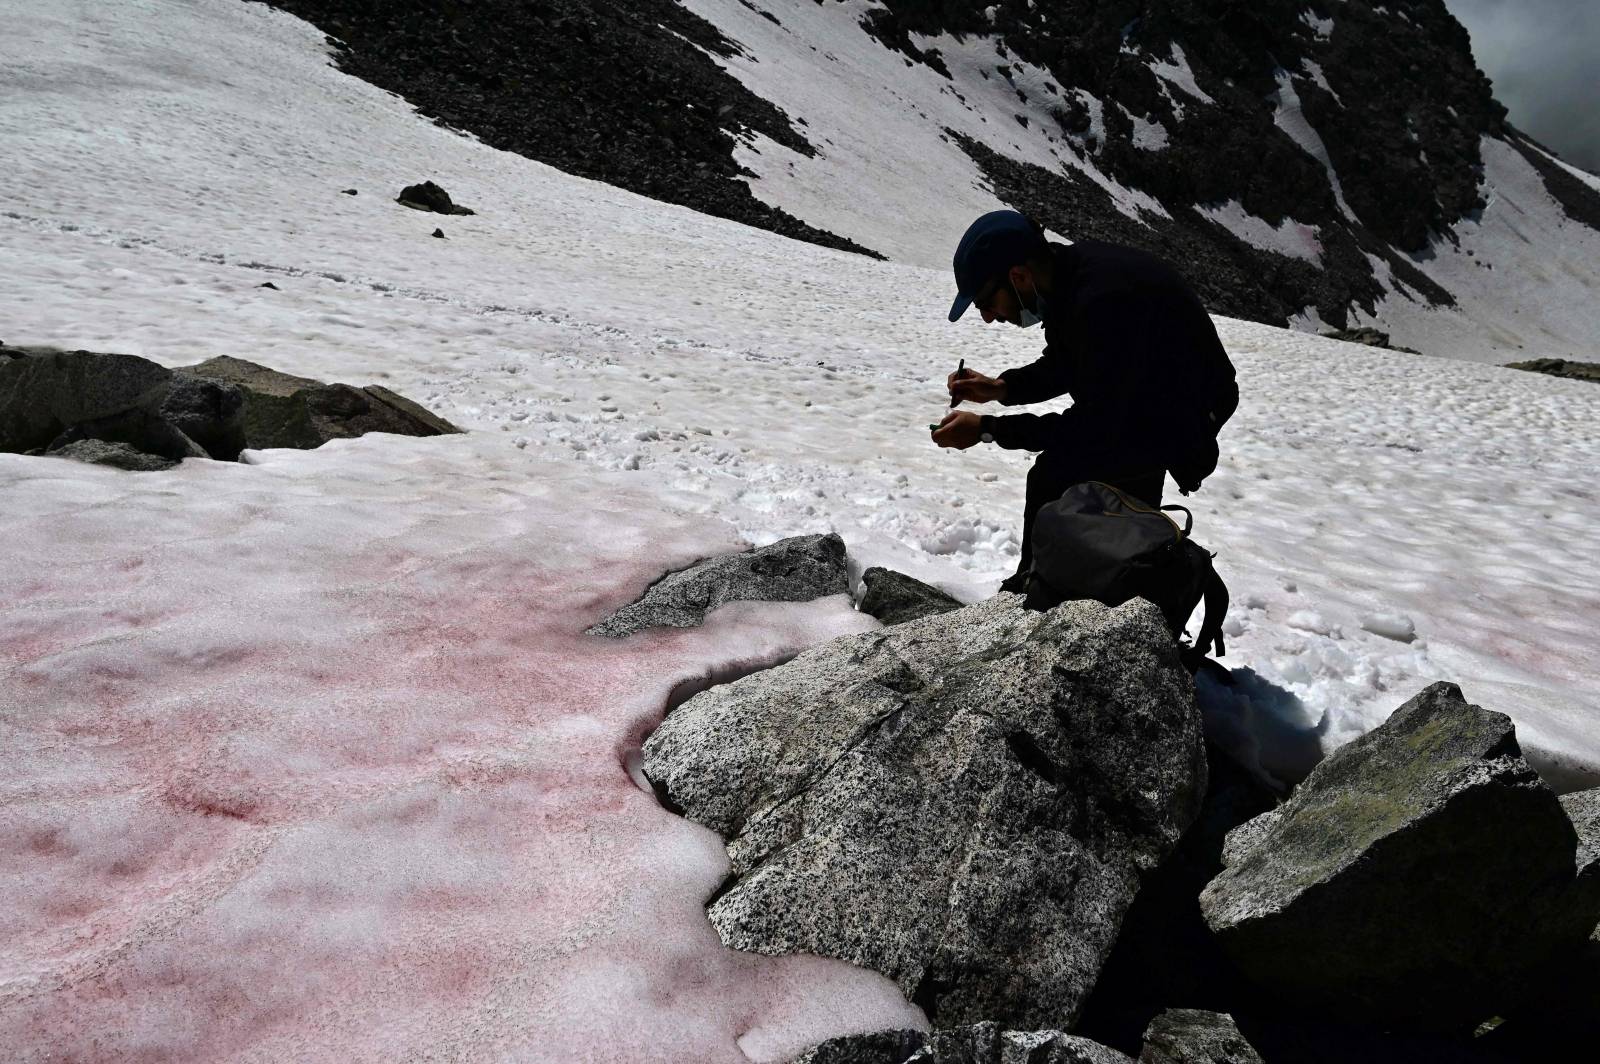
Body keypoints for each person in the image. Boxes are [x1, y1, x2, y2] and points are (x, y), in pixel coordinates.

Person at [932, 210, 1237, 593]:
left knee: (1070, 480)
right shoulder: (1068, 279)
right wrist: (1001, 388)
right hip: (1147, 397)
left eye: (985, 302)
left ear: (1018, 276)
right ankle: (1056, 587)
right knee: (1065, 479)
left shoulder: (1102, 301)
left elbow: (1092, 425)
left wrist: (989, 429)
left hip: (1180, 413)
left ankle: (1061, 593)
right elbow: (1069, 363)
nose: (989, 317)